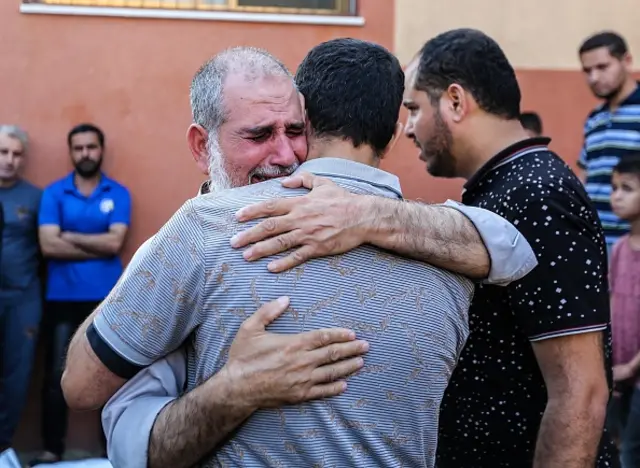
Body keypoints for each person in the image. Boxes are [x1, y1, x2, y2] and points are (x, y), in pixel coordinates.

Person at [60, 45, 537, 467]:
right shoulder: (454, 259)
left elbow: (102, 413)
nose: (285, 155)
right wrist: (236, 388)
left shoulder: (205, 230)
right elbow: (511, 251)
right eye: (259, 135)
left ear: (308, 118)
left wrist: (367, 215)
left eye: (292, 130)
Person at [226, 29, 616, 467]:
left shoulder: (538, 192)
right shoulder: (504, 187)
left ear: (454, 101)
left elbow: (580, 392)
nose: (406, 128)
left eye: (413, 108)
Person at [30, 124, 131, 466]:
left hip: (107, 301)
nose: (85, 153)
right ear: (71, 151)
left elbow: (115, 243)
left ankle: (111, 452)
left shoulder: (117, 193)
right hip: (61, 299)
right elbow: (47, 244)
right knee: (56, 377)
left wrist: (68, 237)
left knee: (111, 376)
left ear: (100, 150)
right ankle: (52, 449)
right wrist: (96, 245)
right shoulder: (54, 193)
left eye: (91, 147)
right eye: (79, 148)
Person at [0, 125, 42, 466]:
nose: (10, 160)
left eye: (16, 154)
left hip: (22, 299)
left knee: (16, 377)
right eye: (3, 152)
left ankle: (2, 447)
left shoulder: (34, 198)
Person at [578, 31, 640, 253]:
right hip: (597, 249)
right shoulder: (594, 119)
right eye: (587, 71)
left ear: (627, 61)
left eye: (602, 67)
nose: (593, 78)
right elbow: (585, 177)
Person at [607, 154, 640, 467]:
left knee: (632, 450)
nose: (615, 195)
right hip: (620, 373)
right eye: (614, 187)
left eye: (626, 188)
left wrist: (632, 367)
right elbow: (614, 304)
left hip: (636, 372)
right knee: (615, 444)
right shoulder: (618, 250)